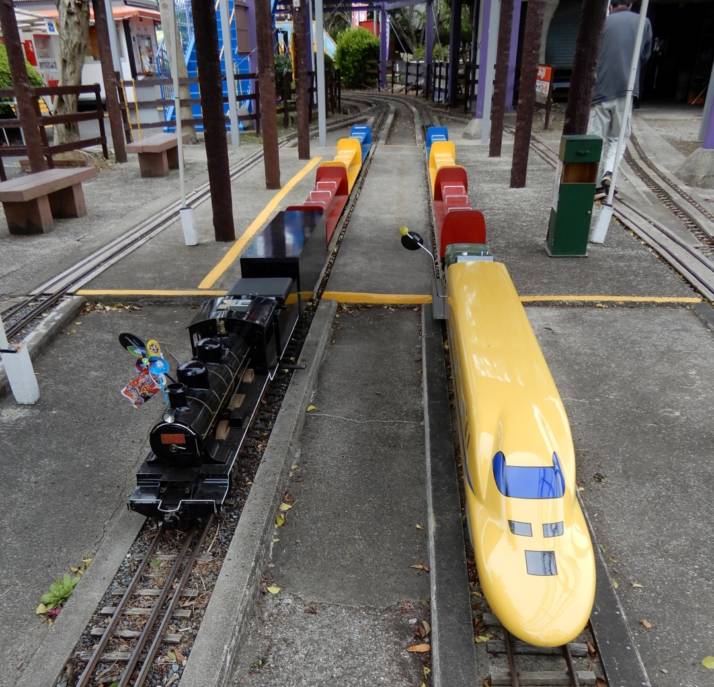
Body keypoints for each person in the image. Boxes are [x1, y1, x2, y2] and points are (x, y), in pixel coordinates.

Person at [588, 0, 652, 198]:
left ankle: (591, 182)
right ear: (630, 4)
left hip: (600, 90)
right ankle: (608, 174)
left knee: (595, 138)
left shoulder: (600, 24)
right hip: (626, 89)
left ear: (610, 5)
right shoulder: (643, 23)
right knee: (618, 137)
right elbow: (644, 56)